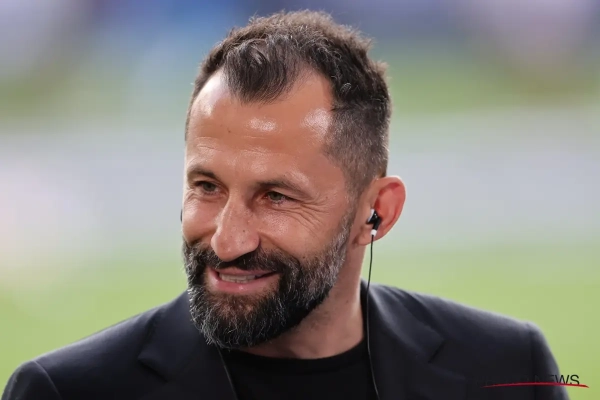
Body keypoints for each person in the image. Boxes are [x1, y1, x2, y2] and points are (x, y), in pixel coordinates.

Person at [2, 10, 568, 400]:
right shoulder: (68, 392)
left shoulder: (507, 371)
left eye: (275, 197)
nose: (227, 240)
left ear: (377, 212)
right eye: (207, 187)